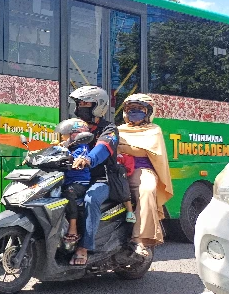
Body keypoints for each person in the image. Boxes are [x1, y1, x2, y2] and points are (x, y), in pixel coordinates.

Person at [117, 94, 173, 256]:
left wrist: (123, 148)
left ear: (148, 112)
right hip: (118, 171)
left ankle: (140, 239)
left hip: (141, 171)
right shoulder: (119, 130)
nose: (134, 112)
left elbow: (144, 151)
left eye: (139, 109)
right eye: (130, 109)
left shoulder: (154, 130)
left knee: (147, 189)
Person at [69, 86, 119, 265]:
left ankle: (84, 247)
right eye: (78, 103)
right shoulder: (76, 127)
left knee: (90, 199)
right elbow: (63, 142)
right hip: (78, 177)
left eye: (84, 103)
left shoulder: (109, 129)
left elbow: (103, 148)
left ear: (98, 106)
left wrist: (88, 159)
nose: (79, 107)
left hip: (102, 179)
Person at [55, 118, 91, 251]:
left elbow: (73, 160)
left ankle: (73, 228)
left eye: (65, 135)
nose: (63, 138)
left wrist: (63, 152)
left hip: (79, 183)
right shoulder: (68, 146)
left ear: (76, 135)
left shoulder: (82, 148)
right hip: (66, 181)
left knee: (68, 192)